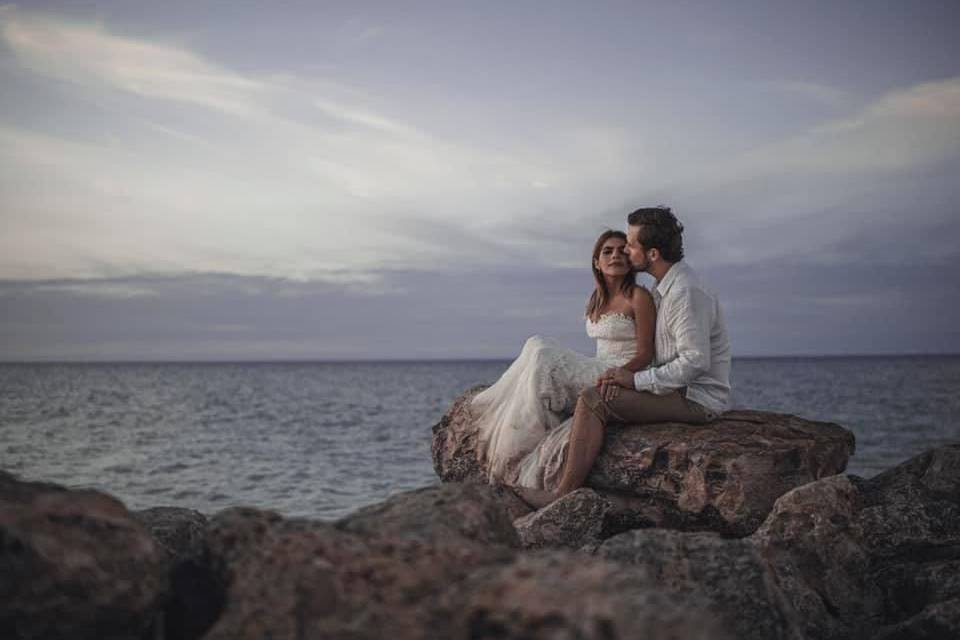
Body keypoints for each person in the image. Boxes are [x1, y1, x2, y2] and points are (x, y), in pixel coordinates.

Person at [515, 206, 732, 509]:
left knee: (594, 400)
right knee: (587, 390)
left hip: (695, 399)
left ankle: (562, 495)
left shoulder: (685, 291)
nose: (626, 251)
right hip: (674, 389)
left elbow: (695, 361)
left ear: (652, 253)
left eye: (630, 244)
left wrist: (635, 379)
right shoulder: (664, 288)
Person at [472, 230, 656, 490]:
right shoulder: (596, 299)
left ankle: (522, 441)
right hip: (599, 364)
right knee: (535, 344)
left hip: (620, 373)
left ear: (630, 259)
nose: (615, 255)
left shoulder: (638, 296)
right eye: (607, 251)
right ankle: (522, 432)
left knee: (542, 352)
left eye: (622, 250)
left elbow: (646, 353)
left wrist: (620, 376)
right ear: (596, 262)